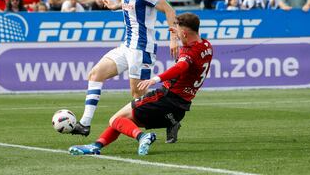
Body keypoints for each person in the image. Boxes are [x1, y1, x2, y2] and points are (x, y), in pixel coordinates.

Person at [69, 13, 213, 156]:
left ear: (185, 32)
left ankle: (142, 137)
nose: (175, 34)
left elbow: (180, 67)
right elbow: (190, 48)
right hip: (179, 110)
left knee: (115, 119)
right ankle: (96, 146)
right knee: (123, 120)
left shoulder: (188, 53)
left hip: (165, 99)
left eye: (177, 30)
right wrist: (178, 34)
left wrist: (155, 79)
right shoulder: (207, 46)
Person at [71, 0, 179, 143]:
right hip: (127, 45)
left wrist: (173, 39)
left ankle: (170, 120)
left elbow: (169, 10)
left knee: (138, 97)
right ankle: (85, 124)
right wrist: (115, 5)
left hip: (142, 48)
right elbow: (128, 3)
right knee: (95, 74)